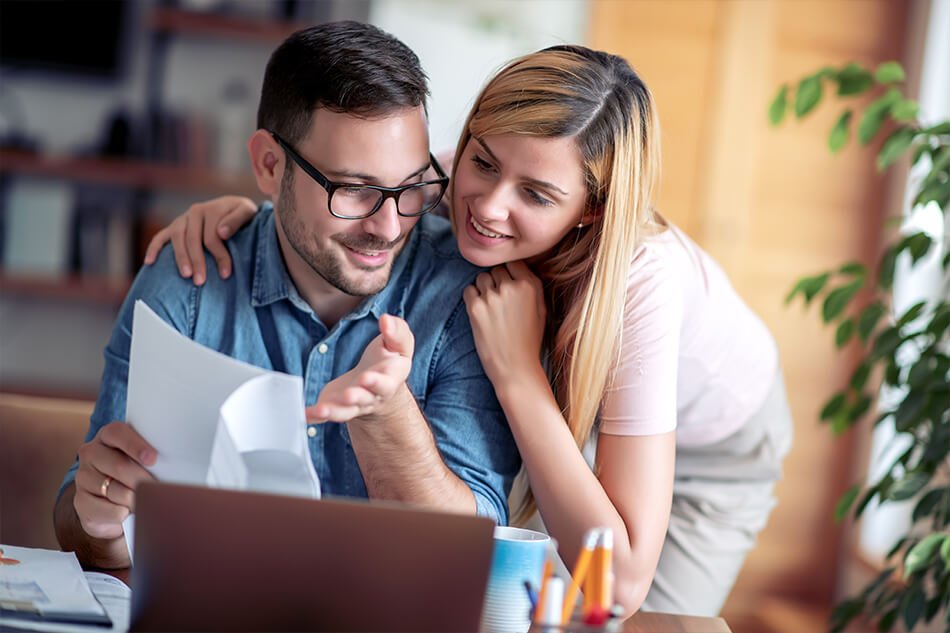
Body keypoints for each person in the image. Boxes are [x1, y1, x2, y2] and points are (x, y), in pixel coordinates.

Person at [148, 44, 793, 617]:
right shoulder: (448, 177)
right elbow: (325, 198)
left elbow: (615, 583)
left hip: (711, 451)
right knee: (518, 601)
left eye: (536, 195)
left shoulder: (640, 285)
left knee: (613, 619)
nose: (486, 205)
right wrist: (243, 215)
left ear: (588, 211)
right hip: (571, 416)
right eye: (482, 162)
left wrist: (517, 371)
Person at [53, 21, 521, 571]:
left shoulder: (465, 295)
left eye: (410, 186)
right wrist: (102, 522)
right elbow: (78, 516)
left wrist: (389, 420)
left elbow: (478, 552)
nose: (390, 226)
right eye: (355, 189)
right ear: (270, 167)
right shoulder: (186, 278)